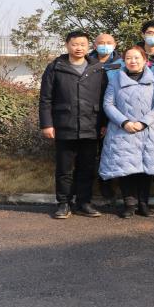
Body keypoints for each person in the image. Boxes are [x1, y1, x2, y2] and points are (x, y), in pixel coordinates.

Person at [99, 46, 154, 218]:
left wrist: (143, 122)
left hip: (149, 130)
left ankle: (143, 203)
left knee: (146, 168)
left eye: (136, 58)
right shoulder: (115, 80)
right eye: (128, 58)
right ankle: (129, 204)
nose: (132, 61)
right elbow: (108, 104)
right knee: (126, 168)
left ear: (145, 60)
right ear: (123, 61)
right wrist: (124, 122)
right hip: (122, 131)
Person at [39, 31, 107, 219]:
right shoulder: (55, 67)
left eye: (83, 44)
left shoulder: (97, 68)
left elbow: (104, 98)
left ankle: (84, 203)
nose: (79, 48)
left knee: (87, 168)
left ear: (89, 46)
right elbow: (45, 99)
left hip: (91, 125)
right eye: (75, 44)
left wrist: (104, 123)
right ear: (67, 45)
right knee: (64, 169)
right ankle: (63, 203)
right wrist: (47, 124)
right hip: (64, 125)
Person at [87, 32, 122, 205]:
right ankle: (85, 188)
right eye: (101, 43)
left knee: (109, 153)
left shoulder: (121, 64)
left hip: (113, 115)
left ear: (115, 45)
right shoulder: (86, 62)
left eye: (109, 42)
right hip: (89, 114)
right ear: (95, 45)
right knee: (88, 153)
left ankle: (107, 186)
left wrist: (109, 121)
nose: (105, 45)